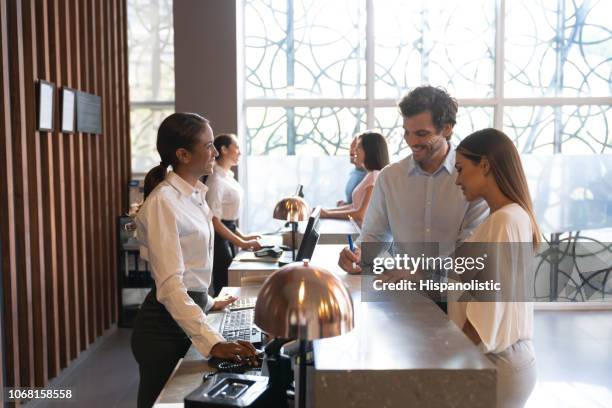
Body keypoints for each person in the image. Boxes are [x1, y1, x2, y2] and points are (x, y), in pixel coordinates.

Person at [131, 113, 257, 408]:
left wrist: (210, 301)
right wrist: (212, 342)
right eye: (209, 145)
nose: (216, 152)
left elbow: (191, 270)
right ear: (183, 154)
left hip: (187, 315)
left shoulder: (195, 195)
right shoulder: (164, 202)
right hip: (163, 330)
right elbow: (172, 287)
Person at [338, 86, 489, 278]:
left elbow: (470, 253)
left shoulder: (473, 178)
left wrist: (418, 273)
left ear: (447, 128)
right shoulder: (390, 177)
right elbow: (375, 236)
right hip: (400, 296)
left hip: (454, 298)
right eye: (407, 132)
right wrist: (357, 255)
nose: (411, 142)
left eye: (422, 134)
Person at [452, 128, 538, 408]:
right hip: (504, 362)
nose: (457, 180)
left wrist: (445, 361)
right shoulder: (509, 216)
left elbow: (484, 316)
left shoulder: (503, 222)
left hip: (495, 364)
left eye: (461, 169)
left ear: (485, 165)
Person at [205, 133, 261, 296]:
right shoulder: (215, 180)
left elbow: (229, 221)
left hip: (227, 232)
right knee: (225, 285)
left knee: (230, 284)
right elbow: (215, 221)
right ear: (223, 149)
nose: (240, 152)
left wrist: (245, 238)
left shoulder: (227, 176)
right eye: (236, 147)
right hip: (218, 238)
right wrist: (242, 243)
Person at [320, 132, 389, 223]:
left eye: (359, 146)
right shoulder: (370, 175)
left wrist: (327, 214)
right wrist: (326, 211)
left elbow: (360, 214)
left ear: (369, 151)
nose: (354, 150)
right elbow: (354, 206)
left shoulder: (375, 177)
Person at [337, 136, 367, 206]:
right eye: (351, 147)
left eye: (356, 147)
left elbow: (362, 209)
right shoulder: (354, 172)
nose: (351, 151)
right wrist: (346, 204)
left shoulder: (369, 175)